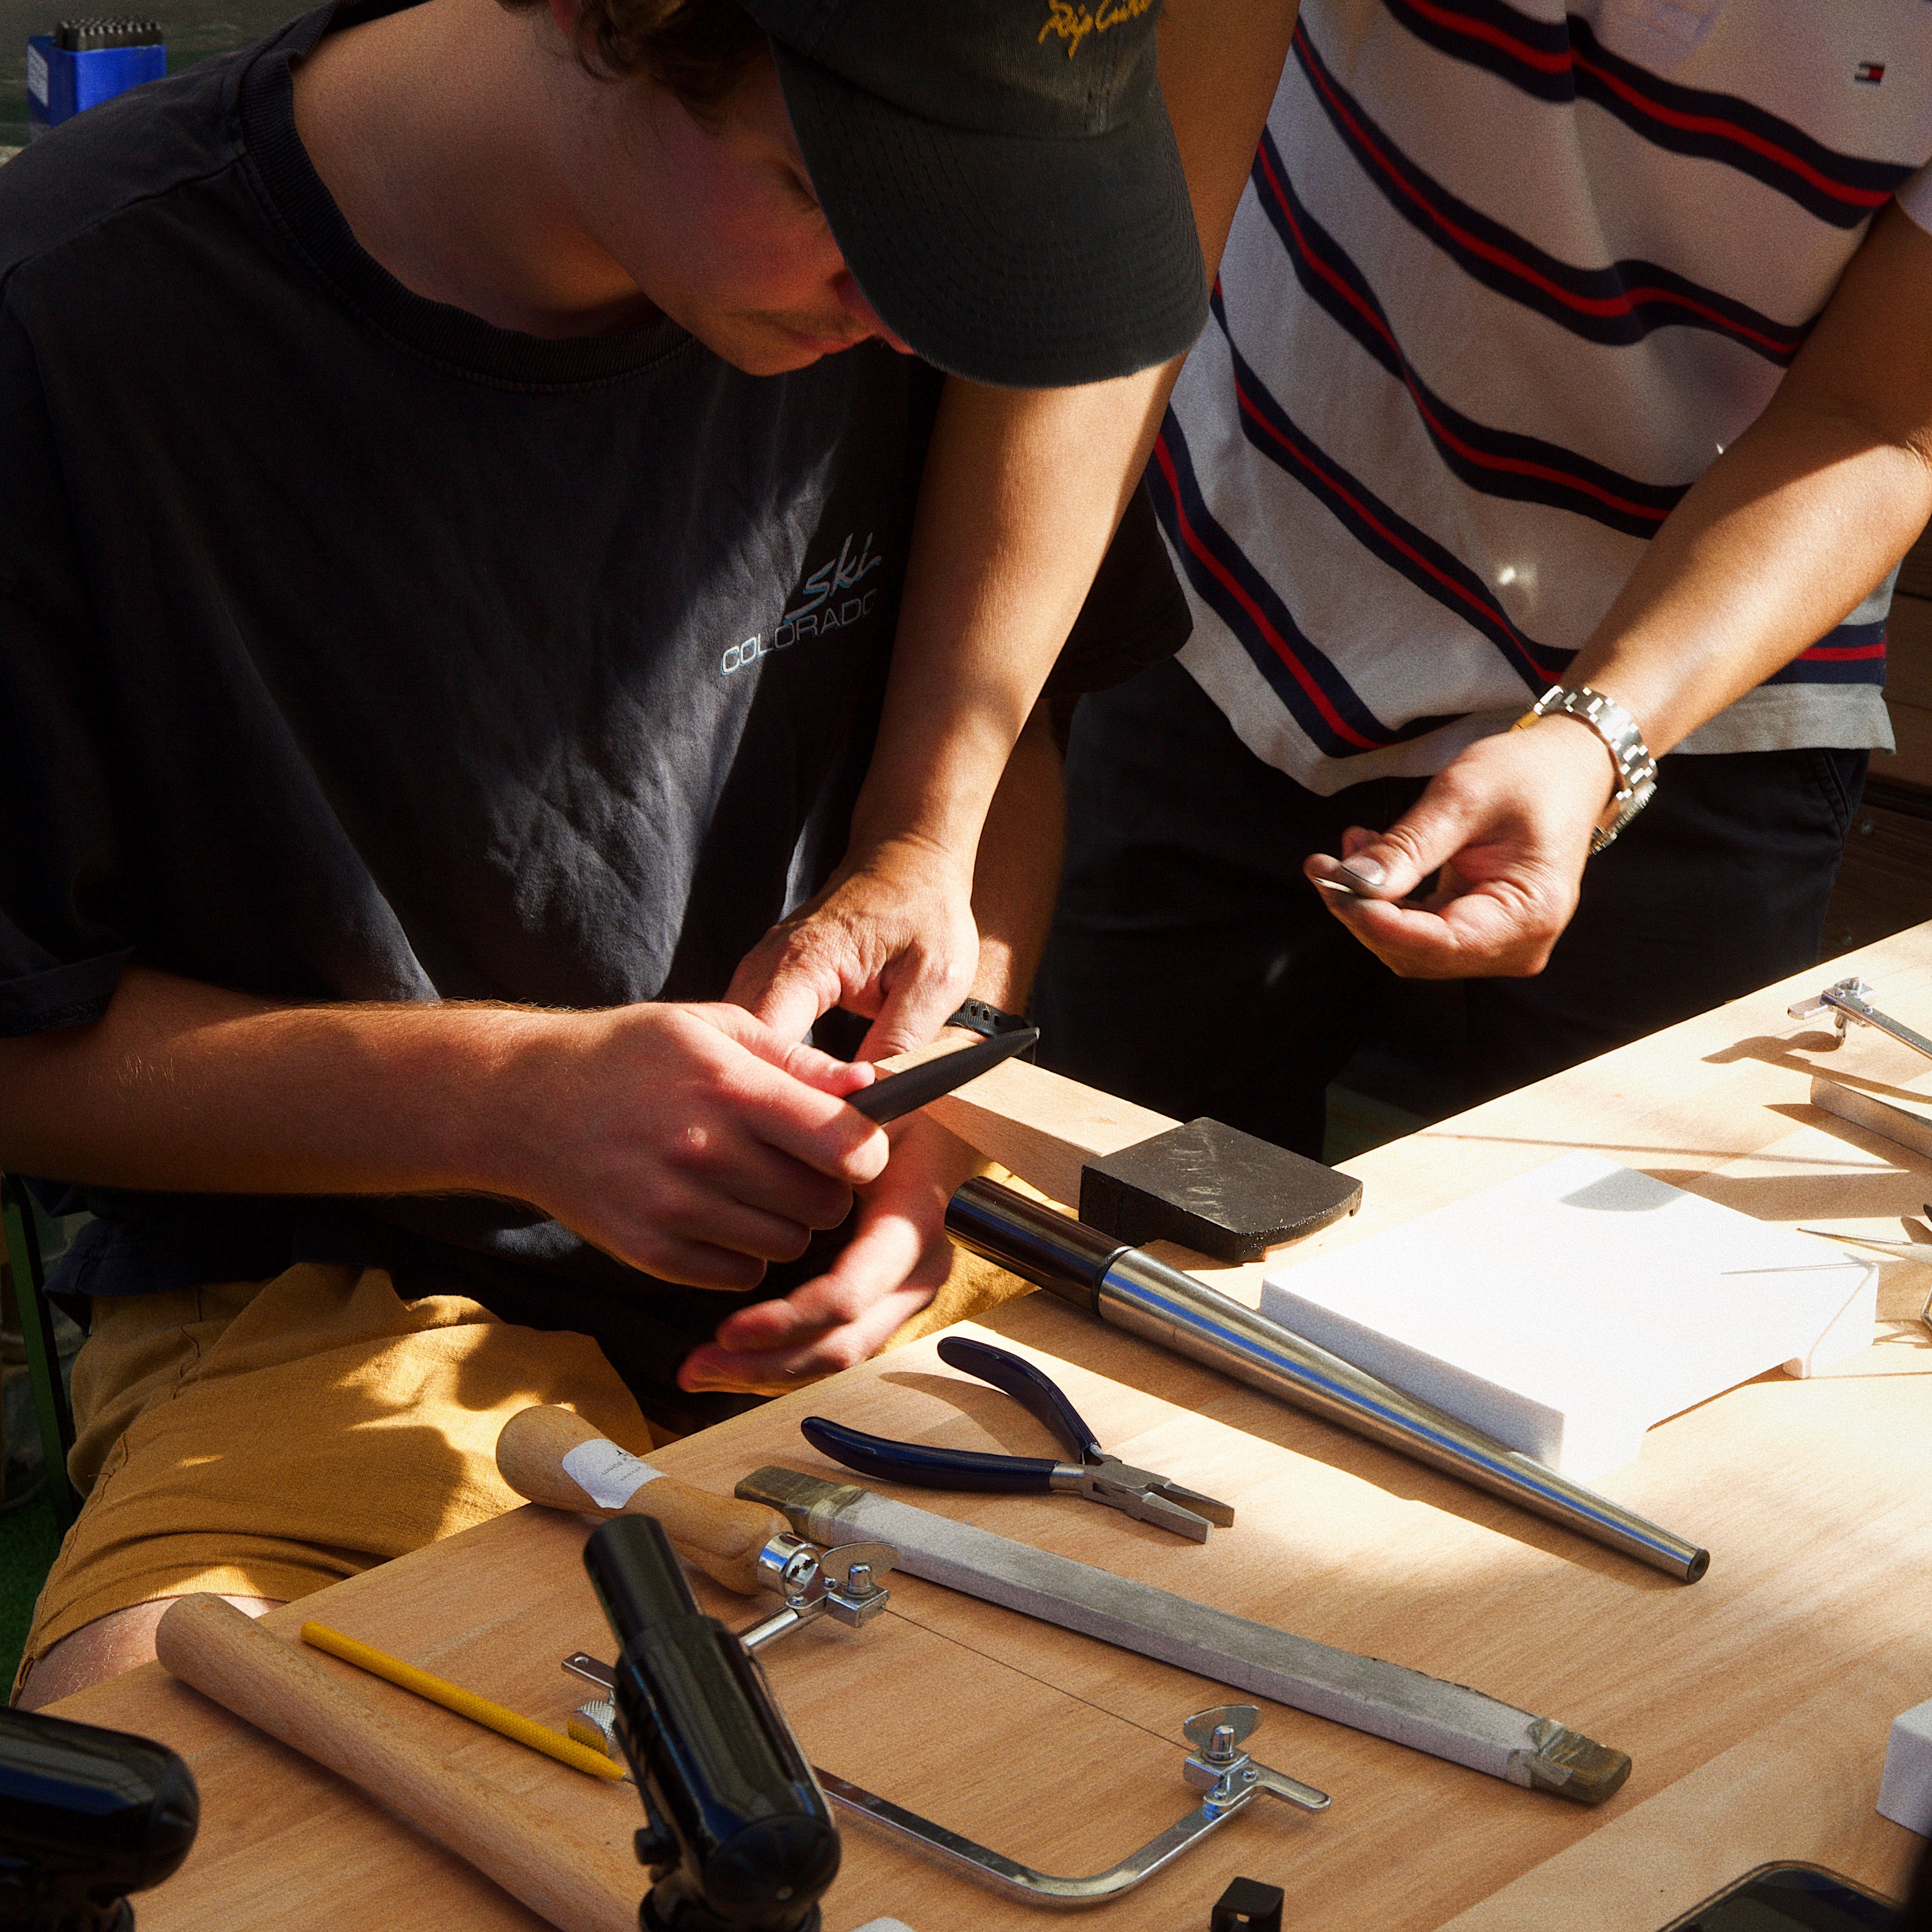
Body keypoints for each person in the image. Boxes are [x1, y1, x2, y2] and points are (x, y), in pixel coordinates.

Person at [0, 0, 1218, 1705]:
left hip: (874, 1272)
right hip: (329, 1299)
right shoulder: (67, 327)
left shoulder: (886, 268)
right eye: (824, 196)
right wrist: (512, 1104)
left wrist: (930, 1087)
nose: (895, 305)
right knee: (183, 1806)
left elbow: (1016, 742)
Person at [1035, 0, 1932, 1157]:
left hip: (1708, 678)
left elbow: (1878, 424)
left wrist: (1593, 741)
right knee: (1119, 1203)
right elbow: (1145, 215)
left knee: (1590, 1290)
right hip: (1244, 572)